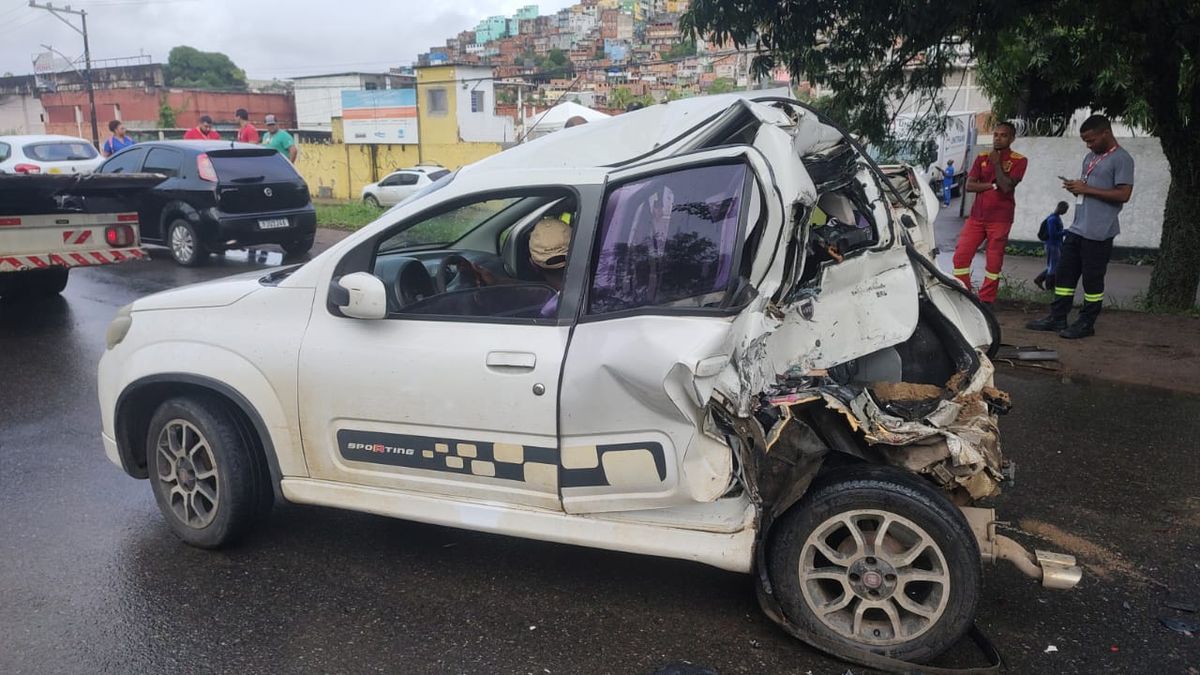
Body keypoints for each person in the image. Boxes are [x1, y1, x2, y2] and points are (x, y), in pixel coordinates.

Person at [1026, 115, 1134, 338]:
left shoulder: (1122, 159)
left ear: (1106, 133)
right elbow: (1090, 189)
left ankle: (1086, 322)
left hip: (1099, 232)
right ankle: (1057, 318)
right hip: (1077, 228)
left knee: (1092, 280)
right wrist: (1077, 188)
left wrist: (1087, 190)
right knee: (1064, 275)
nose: (1088, 145)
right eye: (1085, 141)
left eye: (1091, 140)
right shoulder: (1090, 157)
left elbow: (1124, 194)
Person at [950, 121, 1028, 307]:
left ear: (1011, 138)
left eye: (1003, 135)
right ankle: (964, 294)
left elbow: (1007, 186)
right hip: (977, 217)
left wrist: (997, 165)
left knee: (993, 262)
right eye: (996, 134)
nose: (998, 138)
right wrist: (991, 185)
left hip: (1000, 219)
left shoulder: (1019, 160)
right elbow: (969, 186)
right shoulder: (981, 157)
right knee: (960, 256)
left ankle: (986, 300)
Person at [1033, 201, 1070, 290]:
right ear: (1060, 208)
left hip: (1056, 245)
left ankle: (1040, 279)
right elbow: (1053, 234)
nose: (1065, 212)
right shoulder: (1052, 219)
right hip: (1052, 245)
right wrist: (1066, 232)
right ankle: (1050, 287)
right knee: (1053, 266)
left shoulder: (1056, 218)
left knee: (1054, 265)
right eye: (1065, 210)